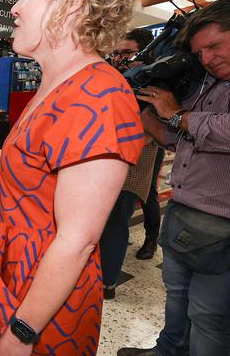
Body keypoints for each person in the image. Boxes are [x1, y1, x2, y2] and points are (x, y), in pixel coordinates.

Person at [0, 0, 144, 354]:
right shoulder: (54, 86)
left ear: (74, 2)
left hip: (41, 292)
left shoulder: (100, 97)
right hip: (9, 269)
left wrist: (21, 332)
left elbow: (77, 241)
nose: (15, 7)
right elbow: (26, 174)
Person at [118, 0, 230, 356]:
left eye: (215, 46)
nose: (207, 58)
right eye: (200, 52)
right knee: (177, 296)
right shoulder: (206, 84)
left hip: (227, 224)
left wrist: (176, 113)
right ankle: (167, 351)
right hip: (185, 212)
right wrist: (146, 115)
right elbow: (176, 137)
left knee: (209, 314)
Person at [100, 28, 161, 300]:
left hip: (132, 167)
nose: (120, 58)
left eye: (127, 52)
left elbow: (152, 131)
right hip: (104, 162)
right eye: (117, 52)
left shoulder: (156, 84)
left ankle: (107, 283)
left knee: (115, 223)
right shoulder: (117, 78)